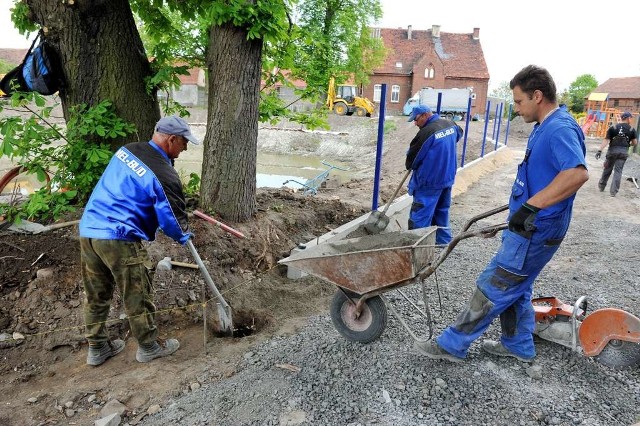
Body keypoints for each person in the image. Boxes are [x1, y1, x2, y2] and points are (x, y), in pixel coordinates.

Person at [414, 65, 589, 363]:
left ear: (538, 95)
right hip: (528, 226)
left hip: (536, 230)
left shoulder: (559, 129)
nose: (517, 109)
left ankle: (452, 344)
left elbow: (576, 174)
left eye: (519, 102)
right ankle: (518, 345)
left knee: (493, 285)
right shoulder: (545, 126)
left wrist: (532, 207)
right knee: (517, 287)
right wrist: (520, 208)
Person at [79, 115, 199, 366]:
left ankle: (97, 347)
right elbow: (171, 221)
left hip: (90, 229)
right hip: (119, 237)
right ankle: (148, 346)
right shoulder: (164, 173)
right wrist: (184, 234)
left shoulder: (128, 150)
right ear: (171, 139)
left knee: (96, 293)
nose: (186, 148)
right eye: (184, 142)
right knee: (136, 291)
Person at [405, 104, 463, 245]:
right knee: (441, 211)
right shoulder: (450, 124)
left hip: (429, 182)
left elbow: (412, 162)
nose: (415, 123)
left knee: (420, 216)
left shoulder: (426, 132)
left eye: (416, 119)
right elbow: (459, 134)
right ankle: (443, 242)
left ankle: (417, 246)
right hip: (447, 177)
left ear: (425, 115)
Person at [596, 111, 637, 197]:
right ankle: (613, 192)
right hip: (623, 153)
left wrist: (600, 150)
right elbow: (635, 143)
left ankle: (601, 186)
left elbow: (606, 140)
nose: (631, 120)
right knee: (618, 171)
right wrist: (629, 143)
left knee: (607, 169)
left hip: (612, 152)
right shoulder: (632, 129)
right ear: (628, 118)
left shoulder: (613, 127)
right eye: (631, 118)